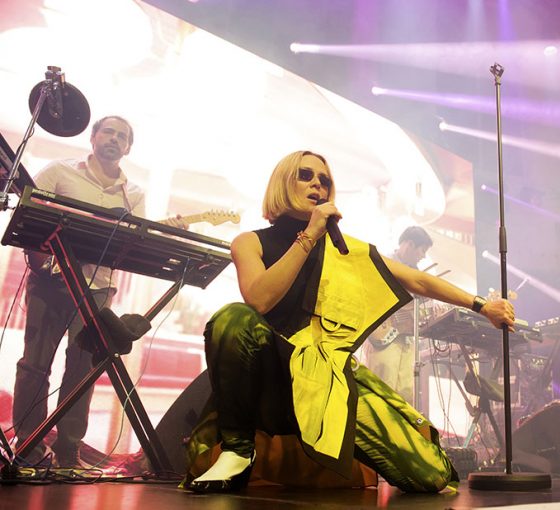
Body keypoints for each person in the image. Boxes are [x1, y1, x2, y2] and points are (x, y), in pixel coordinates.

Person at [183, 150, 515, 493]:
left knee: (430, 476)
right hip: (271, 379)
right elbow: (260, 298)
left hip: (324, 379)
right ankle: (238, 452)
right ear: (283, 182)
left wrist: (481, 305)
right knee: (233, 318)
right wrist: (309, 235)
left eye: (324, 180)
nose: (317, 185)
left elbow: (417, 280)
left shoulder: (346, 250)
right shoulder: (250, 242)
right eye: (306, 175)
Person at [12, 116, 188, 467]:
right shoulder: (59, 171)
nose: (114, 139)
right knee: (35, 365)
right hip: (50, 281)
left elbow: (133, 243)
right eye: (108, 131)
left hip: (97, 289)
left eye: (122, 136)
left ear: (128, 149)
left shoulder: (132, 193)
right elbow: (29, 212)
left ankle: (67, 453)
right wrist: (39, 260)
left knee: (82, 373)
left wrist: (168, 234)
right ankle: (28, 448)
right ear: (93, 137)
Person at [360, 226, 433, 403]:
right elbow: (367, 297)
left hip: (406, 339)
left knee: (405, 395)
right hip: (383, 335)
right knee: (382, 390)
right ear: (409, 244)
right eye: (422, 250)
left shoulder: (417, 274)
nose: (423, 256)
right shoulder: (383, 263)